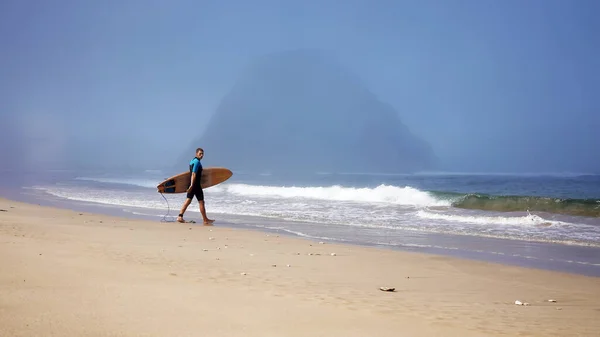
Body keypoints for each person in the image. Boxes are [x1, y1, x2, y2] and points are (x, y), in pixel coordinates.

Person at [177, 147, 215, 225]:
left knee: (188, 200)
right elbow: (193, 174)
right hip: (195, 185)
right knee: (201, 202)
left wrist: (190, 185)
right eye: (200, 154)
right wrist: (192, 185)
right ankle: (205, 220)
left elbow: (190, 173)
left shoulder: (192, 161)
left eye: (202, 154)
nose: (201, 155)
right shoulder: (197, 162)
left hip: (192, 184)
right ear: (196, 153)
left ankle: (180, 216)